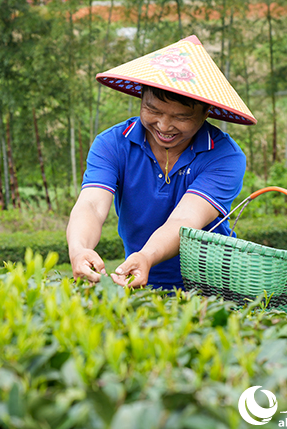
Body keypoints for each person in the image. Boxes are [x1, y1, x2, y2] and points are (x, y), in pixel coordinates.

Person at [66, 35, 255, 289]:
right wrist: (79, 249)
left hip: (214, 288)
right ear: (141, 98)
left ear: (205, 111)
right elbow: (91, 204)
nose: (164, 126)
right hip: (141, 284)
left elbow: (184, 221)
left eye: (181, 117)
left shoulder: (224, 156)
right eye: (153, 110)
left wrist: (146, 256)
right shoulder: (113, 144)